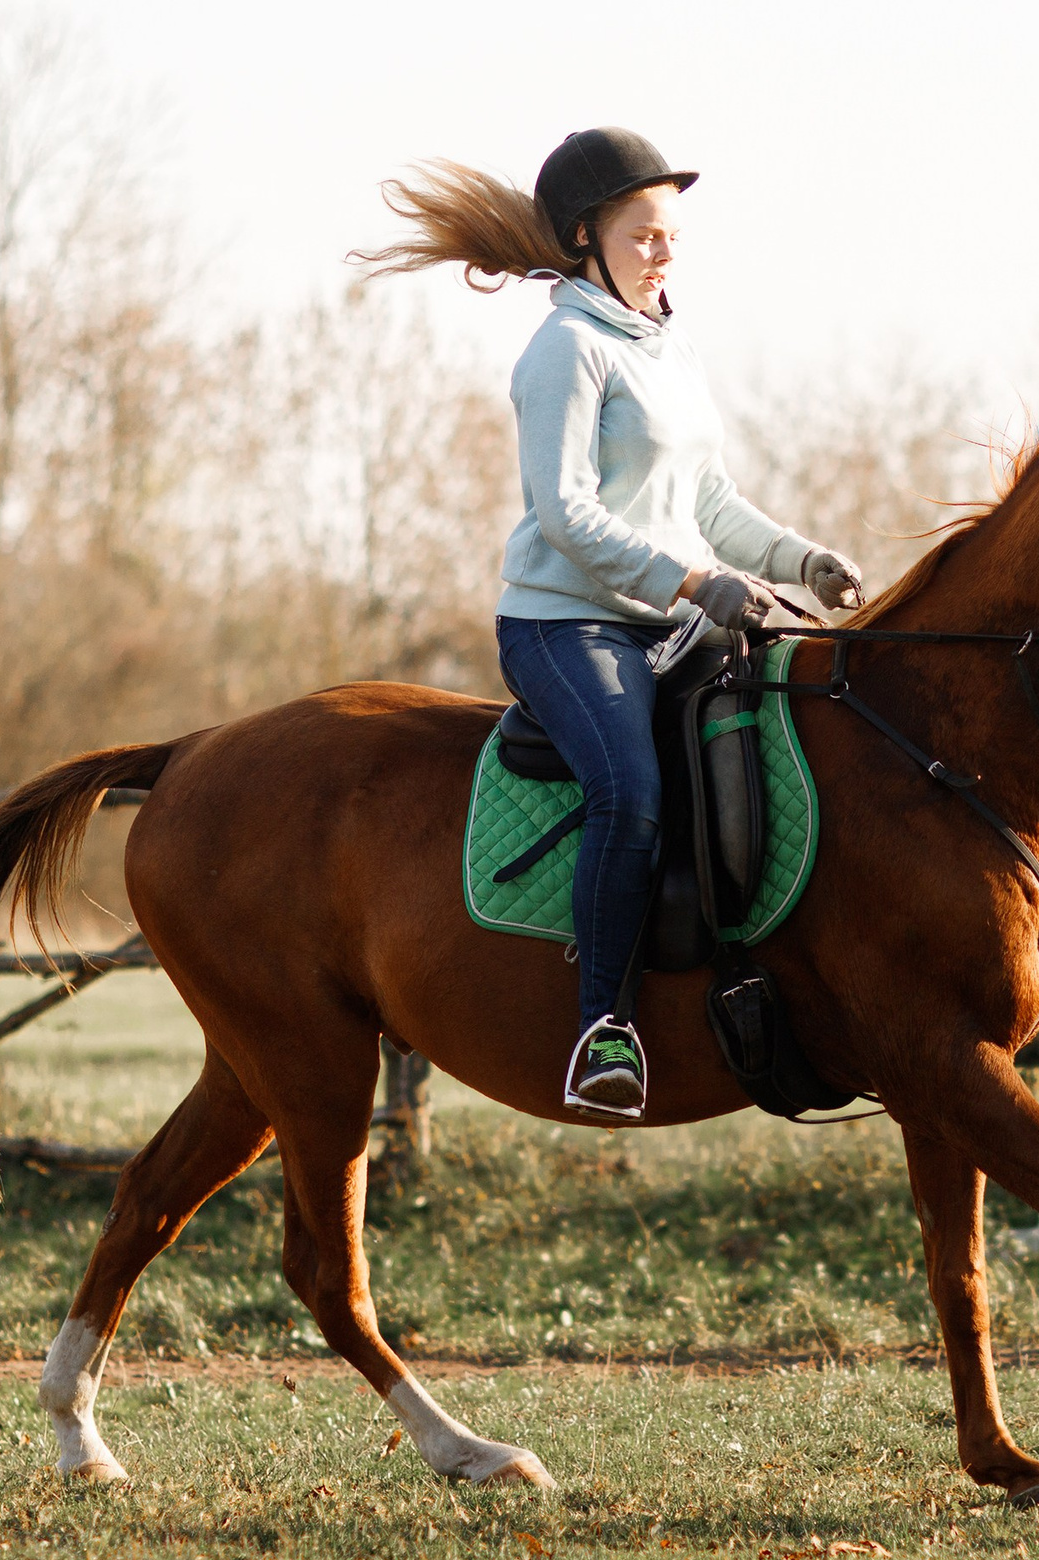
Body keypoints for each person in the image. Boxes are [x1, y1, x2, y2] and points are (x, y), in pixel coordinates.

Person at [356, 127, 865, 1119]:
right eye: (644, 234)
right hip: (567, 625)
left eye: (672, 234)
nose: (665, 251)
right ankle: (605, 1029)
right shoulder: (566, 349)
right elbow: (565, 514)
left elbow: (710, 501)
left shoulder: (666, 347)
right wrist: (688, 582)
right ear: (587, 236)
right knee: (630, 787)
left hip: (667, 621)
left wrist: (796, 559)